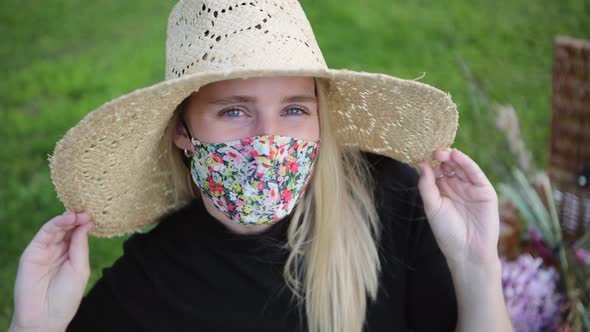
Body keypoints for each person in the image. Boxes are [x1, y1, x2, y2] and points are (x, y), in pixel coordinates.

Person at [9, 1, 514, 332]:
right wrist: (36, 327)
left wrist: (476, 267)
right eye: (234, 111)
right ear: (183, 131)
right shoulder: (152, 285)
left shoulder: (391, 203)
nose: (268, 143)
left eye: (294, 109)